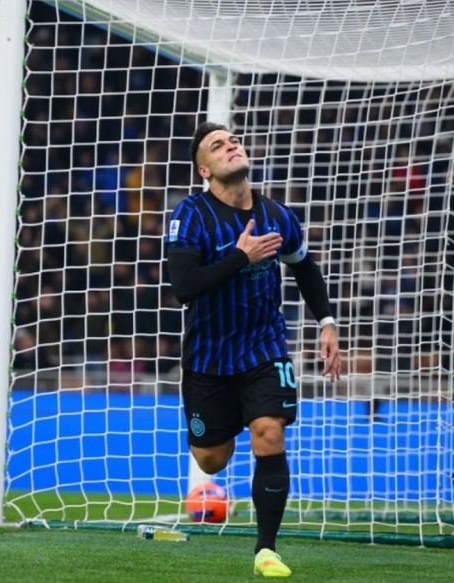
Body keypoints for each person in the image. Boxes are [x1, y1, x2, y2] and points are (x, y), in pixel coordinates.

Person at [166, 122, 341, 578]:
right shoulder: (191, 215)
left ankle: (266, 549)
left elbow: (305, 268)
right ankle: (225, 432)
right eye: (218, 146)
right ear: (204, 170)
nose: (231, 146)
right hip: (208, 358)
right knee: (211, 459)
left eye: (234, 141)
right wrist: (241, 257)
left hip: (264, 349)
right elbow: (184, 287)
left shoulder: (277, 215)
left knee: (269, 431)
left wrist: (326, 322)